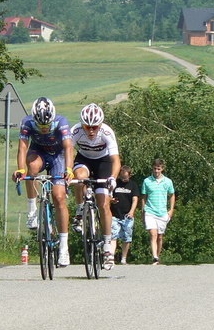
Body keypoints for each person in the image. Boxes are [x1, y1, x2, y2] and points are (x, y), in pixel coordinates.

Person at [12, 97, 74, 267]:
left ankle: (63, 248)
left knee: (59, 197)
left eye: (47, 125)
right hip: (38, 152)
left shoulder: (61, 122)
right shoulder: (27, 122)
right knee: (31, 167)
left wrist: (69, 169)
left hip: (58, 156)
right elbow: (23, 148)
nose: (44, 128)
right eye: (40, 125)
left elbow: (68, 147)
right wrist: (21, 170)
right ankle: (32, 210)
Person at [70, 103, 121, 270]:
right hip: (84, 159)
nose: (91, 131)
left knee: (104, 204)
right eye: (87, 127)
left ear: (100, 125)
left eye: (94, 127)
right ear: (82, 124)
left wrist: (113, 178)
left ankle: (107, 246)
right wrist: (67, 171)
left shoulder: (107, 132)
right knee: (79, 178)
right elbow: (67, 152)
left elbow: (115, 160)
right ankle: (79, 210)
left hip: (103, 162)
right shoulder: (76, 131)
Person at [141, 158, 175, 265]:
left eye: (158, 169)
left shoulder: (168, 181)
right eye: (155, 169)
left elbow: (172, 195)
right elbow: (144, 197)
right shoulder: (147, 181)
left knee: (160, 236)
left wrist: (171, 209)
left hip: (162, 212)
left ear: (162, 169)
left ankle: (157, 256)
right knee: (153, 234)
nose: (156, 171)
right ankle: (154, 257)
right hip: (150, 211)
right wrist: (143, 210)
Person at [110, 165, 139, 265]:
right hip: (114, 215)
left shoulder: (133, 185)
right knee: (113, 236)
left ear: (129, 175)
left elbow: (135, 199)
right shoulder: (115, 183)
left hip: (127, 215)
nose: (123, 179)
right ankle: (111, 257)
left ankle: (123, 258)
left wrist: (132, 211)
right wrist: (111, 200)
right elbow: (108, 195)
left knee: (127, 237)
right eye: (122, 177)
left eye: (125, 177)